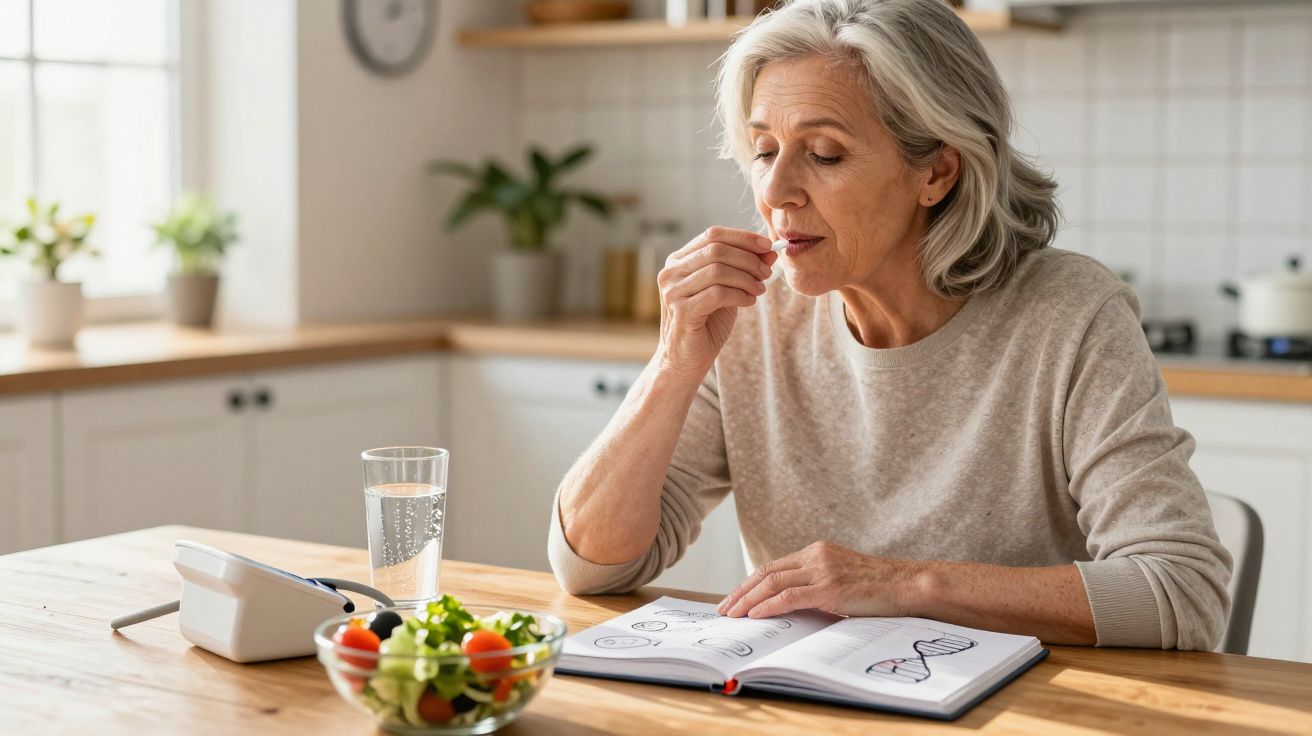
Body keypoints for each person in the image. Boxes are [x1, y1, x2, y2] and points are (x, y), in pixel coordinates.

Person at [547, 0, 1231, 650]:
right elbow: (592, 565)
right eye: (763, 149)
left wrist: (899, 583)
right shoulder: (754, 317)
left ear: (935, 171)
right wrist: (673, 361)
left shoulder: (1072, 315)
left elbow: (1180, 592)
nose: (776, 191)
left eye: (825, 153)